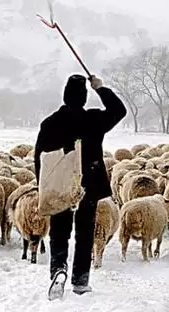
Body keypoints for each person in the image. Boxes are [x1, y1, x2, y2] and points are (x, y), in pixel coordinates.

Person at [34, 74, 127, 300]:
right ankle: (81, 279)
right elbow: (119, 111)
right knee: (85, 233)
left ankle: (58, 269)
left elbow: (40, 156)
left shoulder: (50, 123)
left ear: (65, 96)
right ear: (84, 98)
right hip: (89, 182)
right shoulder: (93, 120)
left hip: (61, 184)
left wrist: (43, 185)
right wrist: (101, 89)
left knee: (59, 230)